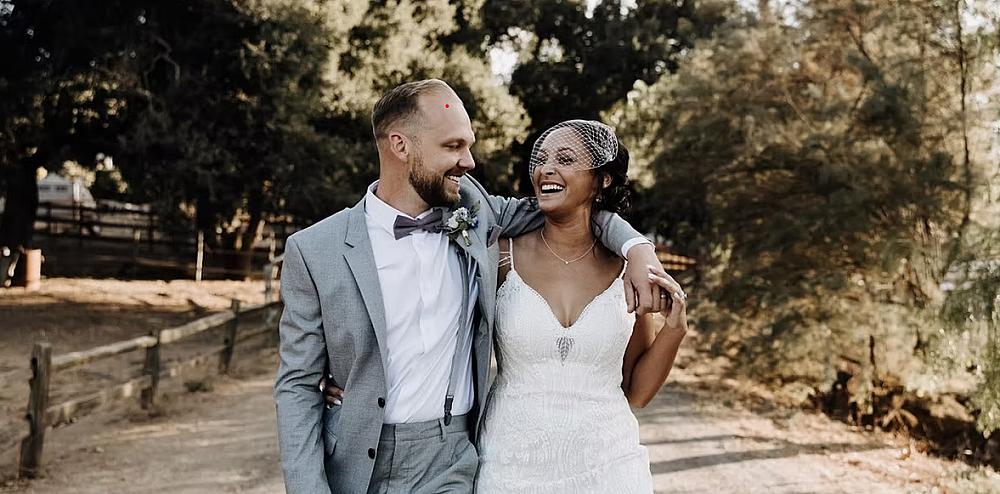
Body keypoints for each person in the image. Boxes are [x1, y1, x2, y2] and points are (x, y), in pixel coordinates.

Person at [274, 79, 664, 494]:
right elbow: (297, 385)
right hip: (355, 461)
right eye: (453, 146)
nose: (470, 161)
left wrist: (638, 249)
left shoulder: (476, 213)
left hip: (451, 460)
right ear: (400, 146)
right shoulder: (315, 250)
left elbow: (571, 207)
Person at [474, 120, 688, 493]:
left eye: (566, 159)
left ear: (602, 180)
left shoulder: (629, 271)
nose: (546, 169)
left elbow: (636, 392)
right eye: (541, 159)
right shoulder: (501, 256)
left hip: (610, 468)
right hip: (510, 466)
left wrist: (674, 330)